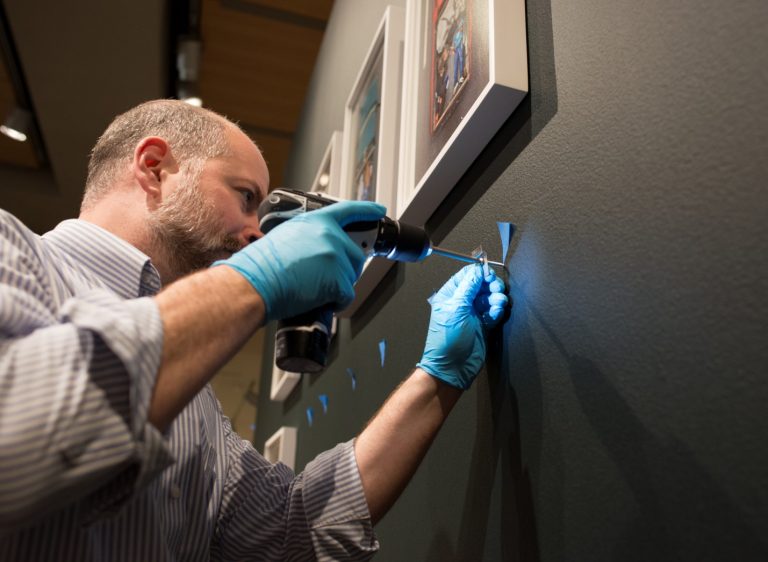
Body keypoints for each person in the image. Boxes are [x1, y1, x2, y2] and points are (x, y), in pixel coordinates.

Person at [0, 100, 508, 561]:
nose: (257, 232)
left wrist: (436, 378)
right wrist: (254, 280)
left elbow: (292, 531)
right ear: (154, 168)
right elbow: (19, 434)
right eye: (245, 197)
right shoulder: (12, 253)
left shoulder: (196, 403)